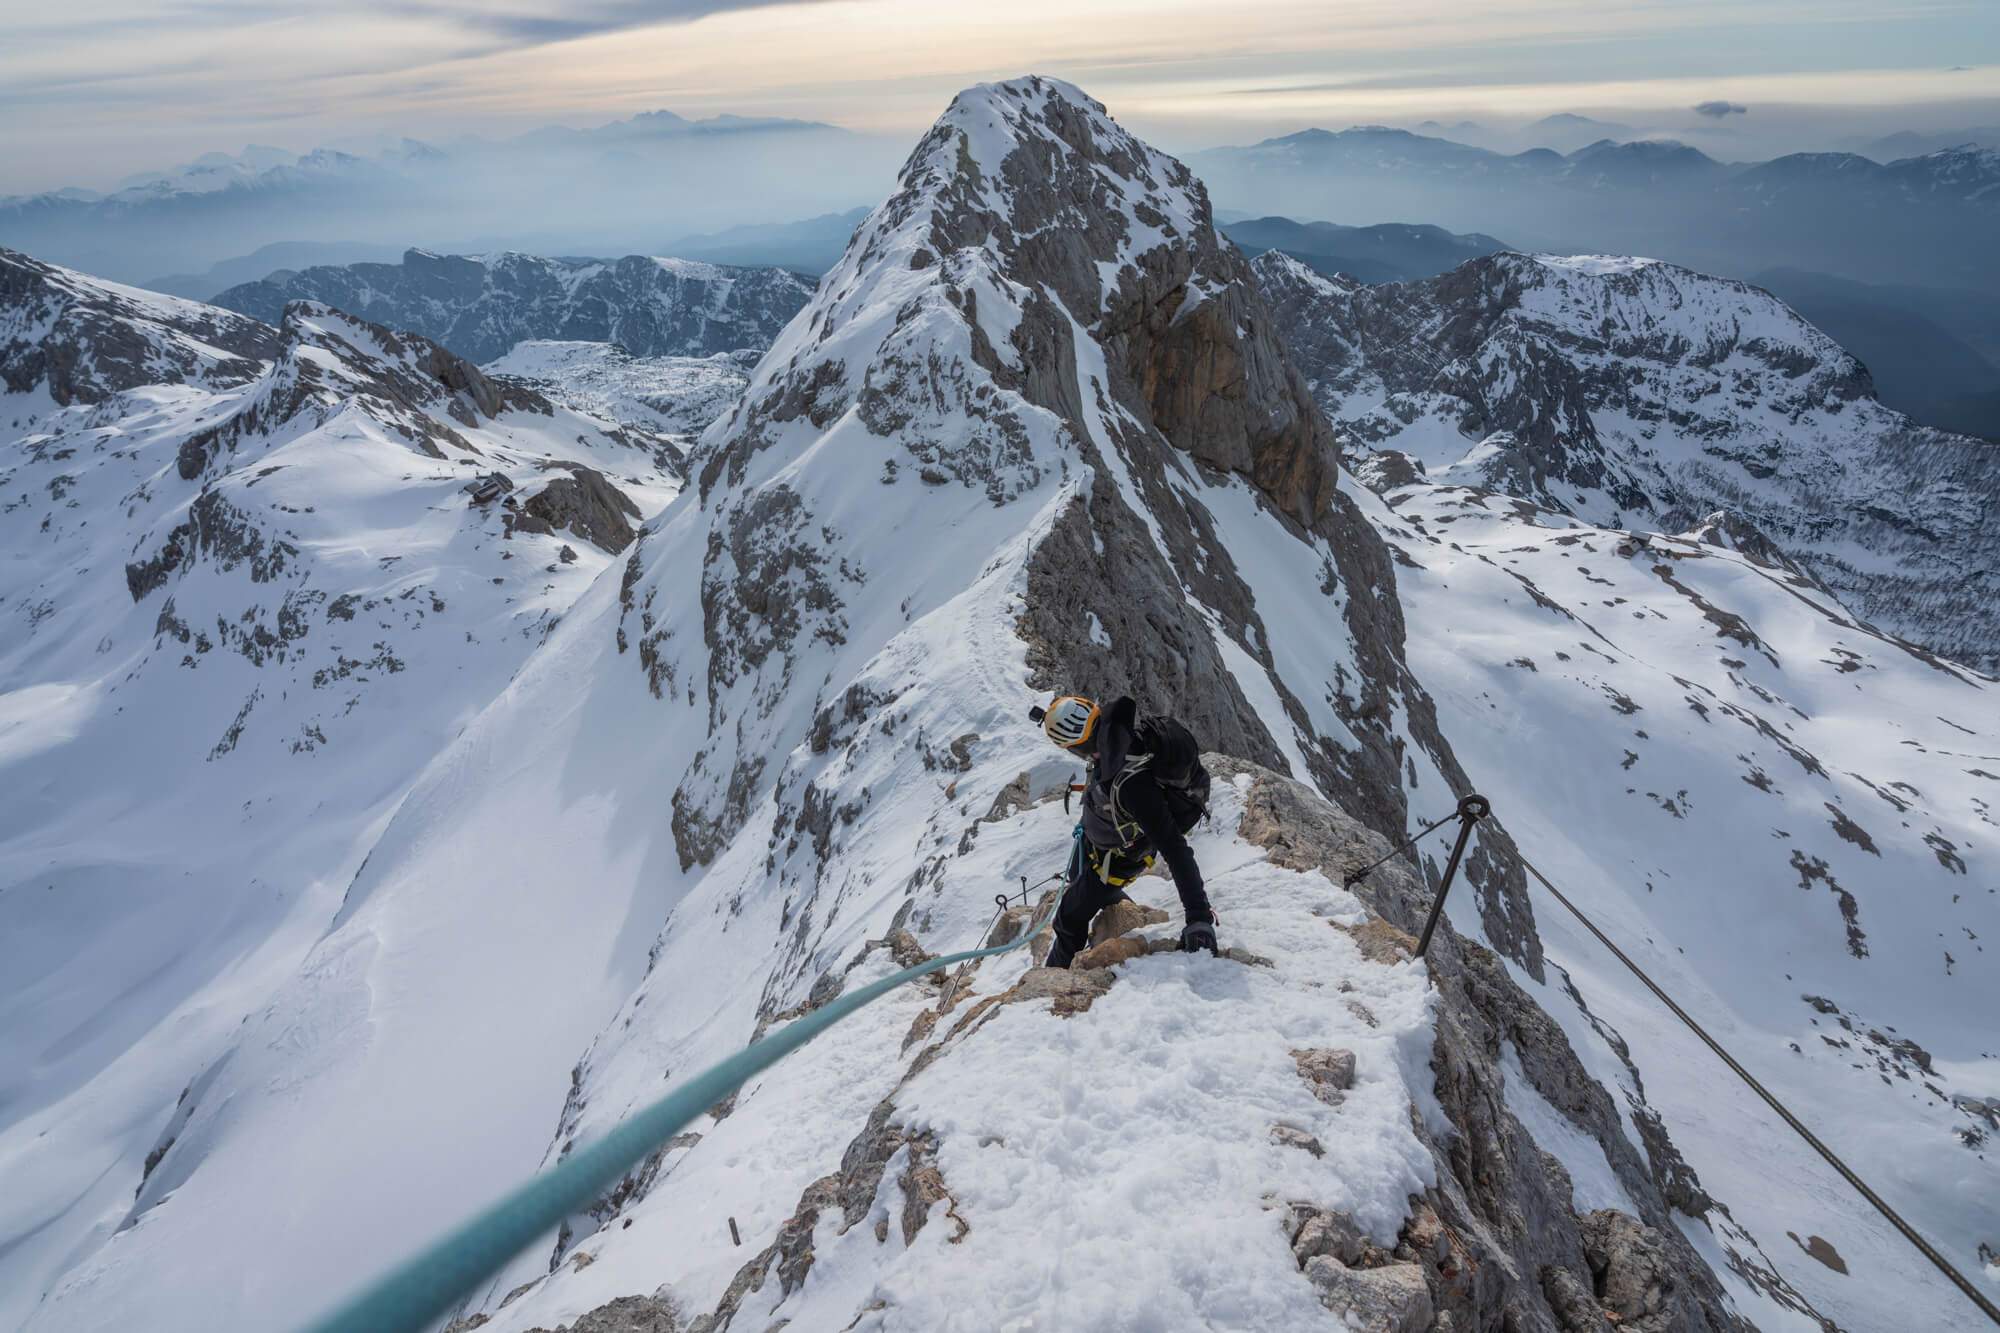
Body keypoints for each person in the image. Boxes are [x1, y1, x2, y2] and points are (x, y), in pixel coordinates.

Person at [1029, 693, 1216, 967]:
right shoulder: (1115, 737)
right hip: (1098, 843)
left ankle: (1052, 976)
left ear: (1077, 747)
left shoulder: (1132, 784)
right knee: (1076, 874)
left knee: (1068, 916)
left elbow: (1174, 847)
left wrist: (1199, 918)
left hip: (1113, 863)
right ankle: (1106, 899)